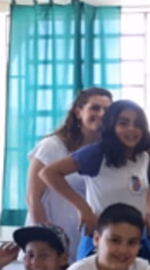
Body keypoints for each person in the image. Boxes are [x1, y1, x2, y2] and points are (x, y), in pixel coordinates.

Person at [40, 99, 150, 261]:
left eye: (137, 124)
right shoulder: (96, 154)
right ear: (111, 125)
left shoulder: (142, 156)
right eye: (123, 123)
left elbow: (143, 185)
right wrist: (83, 208)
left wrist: (149, 210)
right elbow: (48, 173)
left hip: (135, 239)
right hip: (101, 238)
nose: (131, 129)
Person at [26, 88, 113, 254]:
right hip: (51, 239)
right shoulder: (52, 146)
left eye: (107, 110)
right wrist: (45, 243)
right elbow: (32, 198)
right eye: (95, 108)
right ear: (78, 112)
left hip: (83, 238)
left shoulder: (103, 152)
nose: (101, 114)